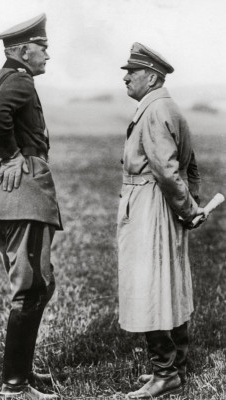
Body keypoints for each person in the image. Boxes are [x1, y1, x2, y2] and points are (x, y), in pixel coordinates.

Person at [117, 43, 208, 399]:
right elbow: (191, 167)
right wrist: (191, 206)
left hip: (151, 208)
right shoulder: (167, 107)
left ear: (151, 77)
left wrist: (187, 208)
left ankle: (165, 372)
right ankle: (175, 367)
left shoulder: (154, 111)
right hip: (164, 207)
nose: (125, 77)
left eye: (131, 72)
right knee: (169, 284)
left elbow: (169, 173)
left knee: (151, 287)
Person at [0, 13, 62, 400]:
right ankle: (14, 386)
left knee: (35, 285)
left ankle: (22, 374)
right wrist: (12, 157)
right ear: (23, 50)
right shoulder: (19, 80)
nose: (47, 53)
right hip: (23, 197)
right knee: (31, 287)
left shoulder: (5, 77)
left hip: (11, 200)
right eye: (42, 47)